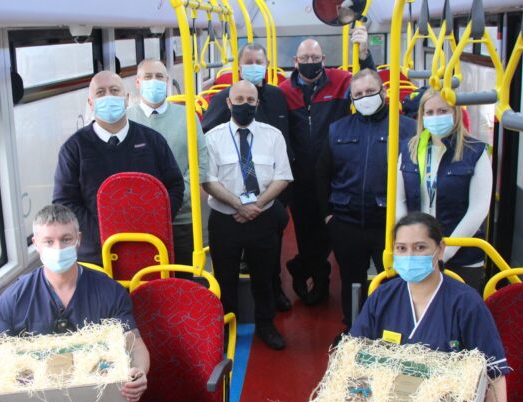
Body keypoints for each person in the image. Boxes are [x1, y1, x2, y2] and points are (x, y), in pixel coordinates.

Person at [312, 212, 508, 402]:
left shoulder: (466, 304)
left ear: (440, 250)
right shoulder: (382, 298)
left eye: (420, 247)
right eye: (402, 248)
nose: (410, 256)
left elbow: (495, 376)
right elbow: (350, 362)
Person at [0, 204, 149, 402]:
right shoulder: (15, 298)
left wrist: (139, 372)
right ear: (36, 243)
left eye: (66, 239)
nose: (58, 249)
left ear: (78, 240)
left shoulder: (109, 292)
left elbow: (135, 343)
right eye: (49, 241)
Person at [278, 26, 375, 306]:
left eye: (315, 57)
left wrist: (365, 53)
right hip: (300, 174)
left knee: (329, 229)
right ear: (295, 62)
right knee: (305, 229)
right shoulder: (285, 92)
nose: (310, 62)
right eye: (304, 58)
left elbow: (370, 83)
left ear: (324, 59)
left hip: (336, 171)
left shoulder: (341, 82)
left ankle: (306, 269)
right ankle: (316, 275)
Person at [315, 69, 417, 332]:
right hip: (346, 221)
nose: (365, 98)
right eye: (358, 94)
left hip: (389, 223)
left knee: (394, 280)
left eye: (370, 92)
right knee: (352, 281)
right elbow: (322, 174)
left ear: (383, 92)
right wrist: (328, 216)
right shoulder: (338, 129)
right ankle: (354, 331)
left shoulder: (406, 129)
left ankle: (390, 332)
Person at [52, 70, 185, 266]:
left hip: (150, 248)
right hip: (96, 255)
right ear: (90, 103)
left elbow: (174, 187)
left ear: (127, 99)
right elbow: (64, 202)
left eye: (114, 91)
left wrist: (155, 223)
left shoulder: (152, 140)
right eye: (100, 92)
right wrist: (105, 233)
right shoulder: (74, 148)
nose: (108, 96)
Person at [202, 42, 293, 312]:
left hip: (263, 212)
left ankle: (267, 323)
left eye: (250, 101)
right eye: (239, 100)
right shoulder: (213, 136)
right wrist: (239, 205)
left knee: (265, 276)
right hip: (225, 217)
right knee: (225, 279)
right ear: (229, 102)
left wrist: (257, 206)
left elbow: (283, 175)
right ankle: (227, 324)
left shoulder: (273, 128)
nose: (245, 105)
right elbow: (208, 179)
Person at [396, 88, 492, 292]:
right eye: (429, 113)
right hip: (418, 255)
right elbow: (399, 201)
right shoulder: (409, 150)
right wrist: (408, 243)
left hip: (462, 257)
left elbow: (478, 209)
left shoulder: (476, 152)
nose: (435, 117)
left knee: (459, 318)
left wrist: (444, 253)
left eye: (442, 111)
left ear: (456, 113)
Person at [126, 59, 207, 278]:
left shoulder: (187, 117)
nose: (154, 82)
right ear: (137, 82)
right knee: (144, 281)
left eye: (160, 77)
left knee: (183, 280)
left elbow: (199, 164)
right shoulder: (125, 120)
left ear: (168, 82)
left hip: (182, 217)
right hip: (138, 221)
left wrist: (174, 200)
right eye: (148, 77)